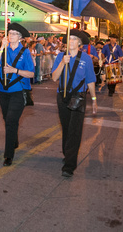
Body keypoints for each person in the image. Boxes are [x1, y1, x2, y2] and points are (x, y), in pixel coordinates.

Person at [52, 29, 96, 177]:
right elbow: (54, 77)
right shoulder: (60, 56)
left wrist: (94, 100)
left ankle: (69, 166)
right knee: (66, 127)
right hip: (62, 96)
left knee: (74, 130)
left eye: (73, 39)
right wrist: (62, 64)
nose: (70, 41)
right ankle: (67, 154)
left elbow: (90, 80)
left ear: (79, 43)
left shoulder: (86, 59)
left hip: (78, 97)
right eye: (68, 39)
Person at [0, 23, 35, 166]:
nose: (11, 35)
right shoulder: (4, 49)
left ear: (20, 37)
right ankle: (13, 140)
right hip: (2, 91)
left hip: (18, 91)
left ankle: (8, 155)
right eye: (10, 33)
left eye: (15, 33)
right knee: (7, 119)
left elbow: (31, 73)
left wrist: (15, 70)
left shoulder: (25, 52)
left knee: (10, 120)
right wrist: (2, 47)